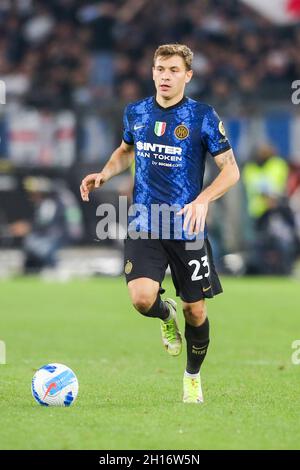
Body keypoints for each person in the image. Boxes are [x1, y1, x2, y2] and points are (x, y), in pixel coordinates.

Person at [80, 44, 240, 403]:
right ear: (152, 72)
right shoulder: (136, 112)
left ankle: (192, 377)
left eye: (172, 70)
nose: (165, 76)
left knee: (195, 311)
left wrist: (203, 199)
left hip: (186, 226)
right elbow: (125, 150)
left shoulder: (202, 116)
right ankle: (165, 315)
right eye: (159, 69)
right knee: (141, 298)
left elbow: (231, 170)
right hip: (145, 222)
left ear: (188, 75)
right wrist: (104, 174)